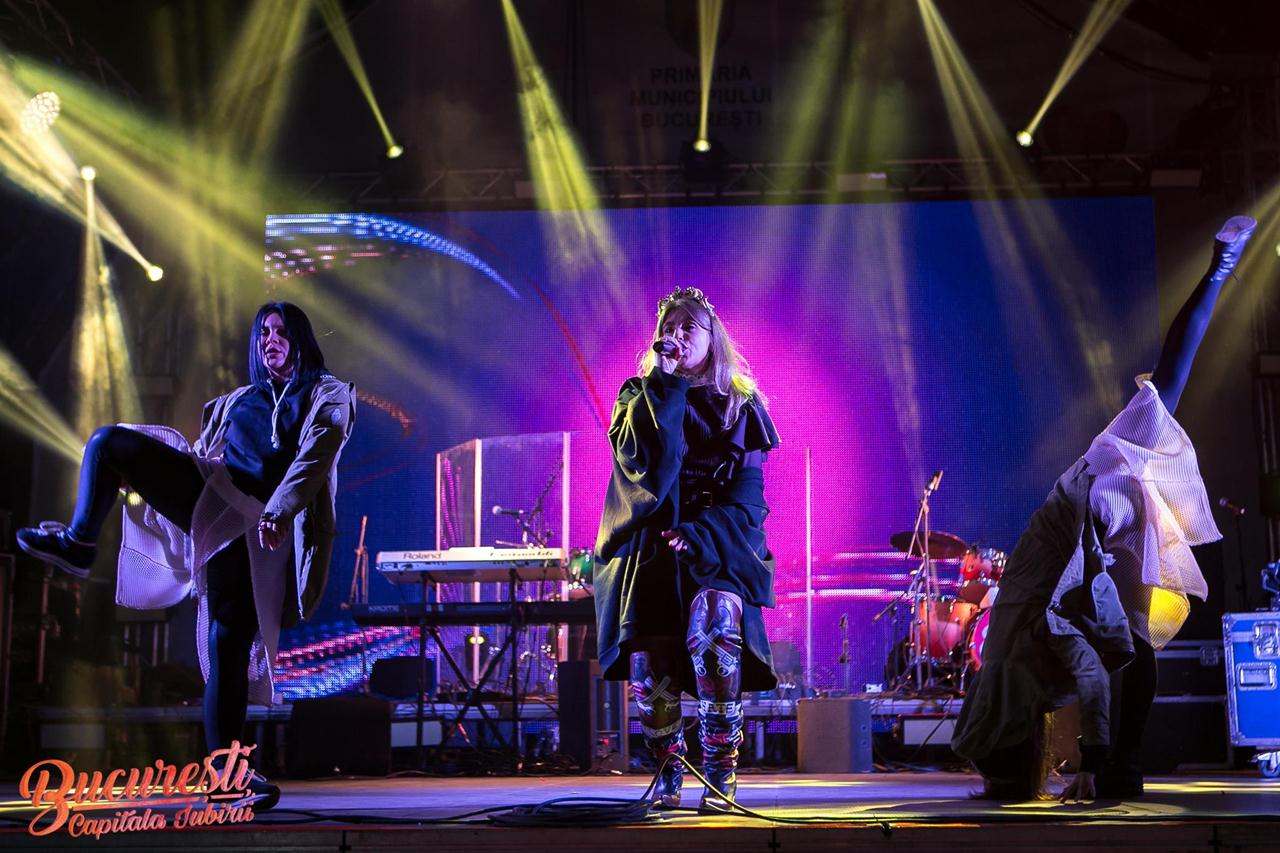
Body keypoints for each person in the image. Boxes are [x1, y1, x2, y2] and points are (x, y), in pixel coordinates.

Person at [951, 215, 1257, 801]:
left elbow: (1091, 675)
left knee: (1133, 641)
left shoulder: (1024, 673)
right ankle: (1126, 767)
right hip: (1085, 510)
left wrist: (1090, 763)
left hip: (1088, 513)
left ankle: (1125, 767)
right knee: (1164, 394)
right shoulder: (1004, 679)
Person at [17, 302, 356, 809]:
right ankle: (78, 544)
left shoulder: (327, 393)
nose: (270, 339)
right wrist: (153, 480)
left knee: (227, 644)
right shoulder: (237, 401)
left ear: (301, 340)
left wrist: (279, 510)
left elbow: (316, 455)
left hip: (264, 531)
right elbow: (203, 455)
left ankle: (228, 776)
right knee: (109, 444)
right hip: (215, 503)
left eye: (281, 332)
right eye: (263, 332)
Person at [593, 286, 780, 813]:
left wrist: (701, 534)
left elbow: (749, 498)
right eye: (667, 328)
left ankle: (720, 773)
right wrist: (666, 383)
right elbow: (652, 468)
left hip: (719, 544)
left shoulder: (741, 404)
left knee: (715, 621)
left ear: (711, 338)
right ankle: (669, 772)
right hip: (652, 549)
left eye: (687, 327)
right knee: (649, 660)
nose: (675, 335)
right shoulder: (639, 397)